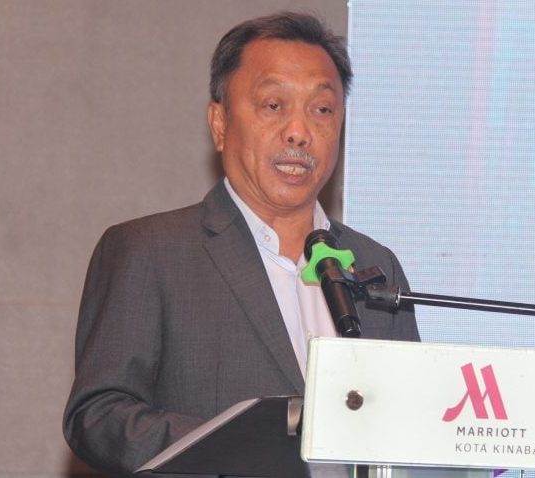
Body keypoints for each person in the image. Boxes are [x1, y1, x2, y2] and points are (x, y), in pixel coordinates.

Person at [63, 12, 419, 477]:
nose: (299, 132)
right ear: (219, 123)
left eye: (322, 110)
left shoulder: (375, 265)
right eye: (274, 105)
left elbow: (412, 424)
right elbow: (99, 416)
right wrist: (240, 443)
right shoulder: (149, 252)